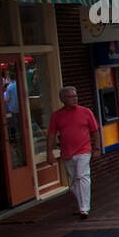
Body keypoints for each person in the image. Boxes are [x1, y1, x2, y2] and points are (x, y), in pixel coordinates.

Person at [45, 86, 100, 219]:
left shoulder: (86, 112)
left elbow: (95, 131)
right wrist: (49, 152)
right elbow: (51, 134)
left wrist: (96, 148)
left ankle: (84, 208)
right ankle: (82, 205)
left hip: (84, 150)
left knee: (83, 176)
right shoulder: (56, 116)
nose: (75, 98)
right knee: (74, 180)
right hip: (67, 152)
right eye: (71, 96)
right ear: (63, 99)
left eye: (76, 96)